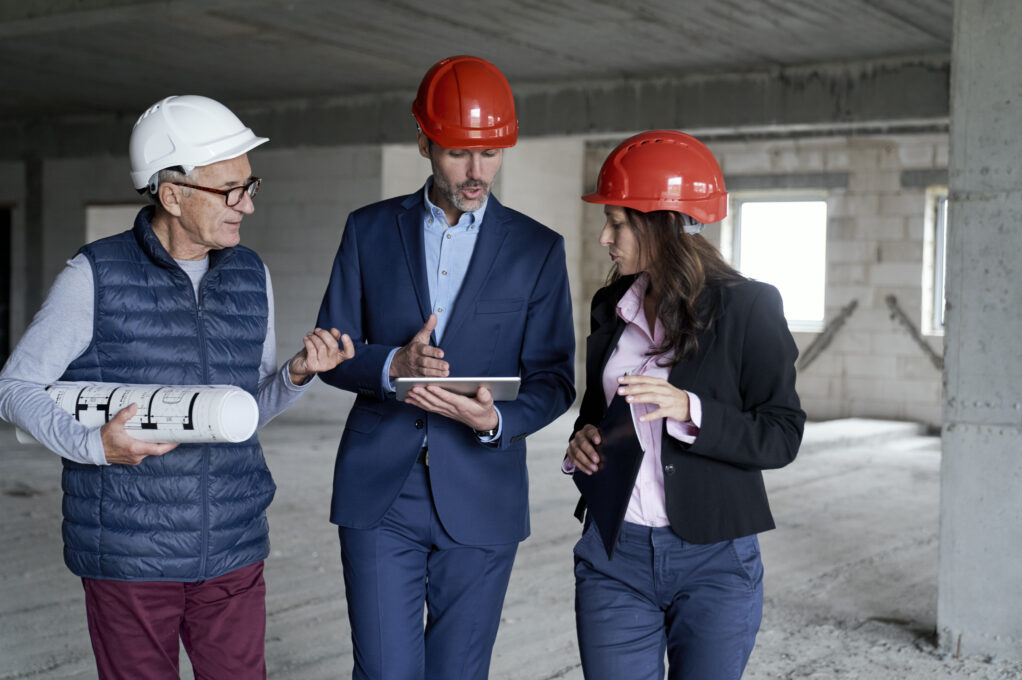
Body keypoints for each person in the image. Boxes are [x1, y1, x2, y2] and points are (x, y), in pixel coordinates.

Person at [0, 94, 354, 679]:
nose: (248, 205)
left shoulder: (250, 273)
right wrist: (95, 446)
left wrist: (294, 376)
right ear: (172, 194)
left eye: (250, 185)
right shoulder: (96, 275)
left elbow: (240, 411)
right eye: (229, 191)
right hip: (130, 553)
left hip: (233, 544)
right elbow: (15, 386)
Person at [315, 55, 575, 680]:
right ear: (425, 142)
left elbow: (555, 379)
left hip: (482, 489)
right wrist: (390, 365)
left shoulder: (538, 249)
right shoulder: (369, 230)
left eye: (491, 153)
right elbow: (332, 349)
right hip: (382, 492)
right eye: (460, 153)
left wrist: (495, 422)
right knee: (384, 671)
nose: (477, 171)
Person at [565, 130, 806, 680]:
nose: (605, 236)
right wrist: (582, 438)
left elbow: (782, 433)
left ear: (664, 224)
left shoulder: (749, 307)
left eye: (618, 223)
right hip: (614, 554)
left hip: (715, 559)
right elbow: (597, 408)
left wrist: (689, 409)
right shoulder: (612, 303)